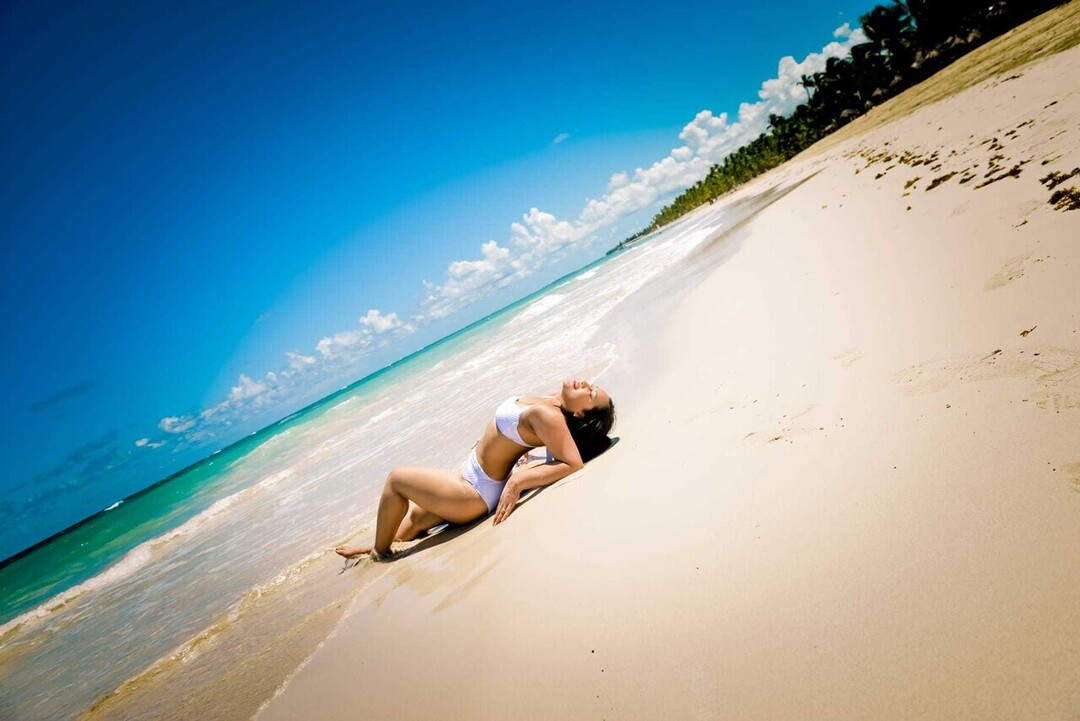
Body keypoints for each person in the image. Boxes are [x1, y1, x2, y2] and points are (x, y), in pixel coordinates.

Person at [334, 378, 615, 562]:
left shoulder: (549, 415)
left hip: (473, 493)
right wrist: (524, 454)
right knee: (416, 520)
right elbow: (541, 442)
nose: (586, 384)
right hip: (472, 480)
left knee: (396, 480)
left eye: (590, 393)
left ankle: (379, 555)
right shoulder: (551, 403)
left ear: (580, 413)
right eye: (592, 386)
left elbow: (572, 462)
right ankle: (378, 545)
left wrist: (519, 480)